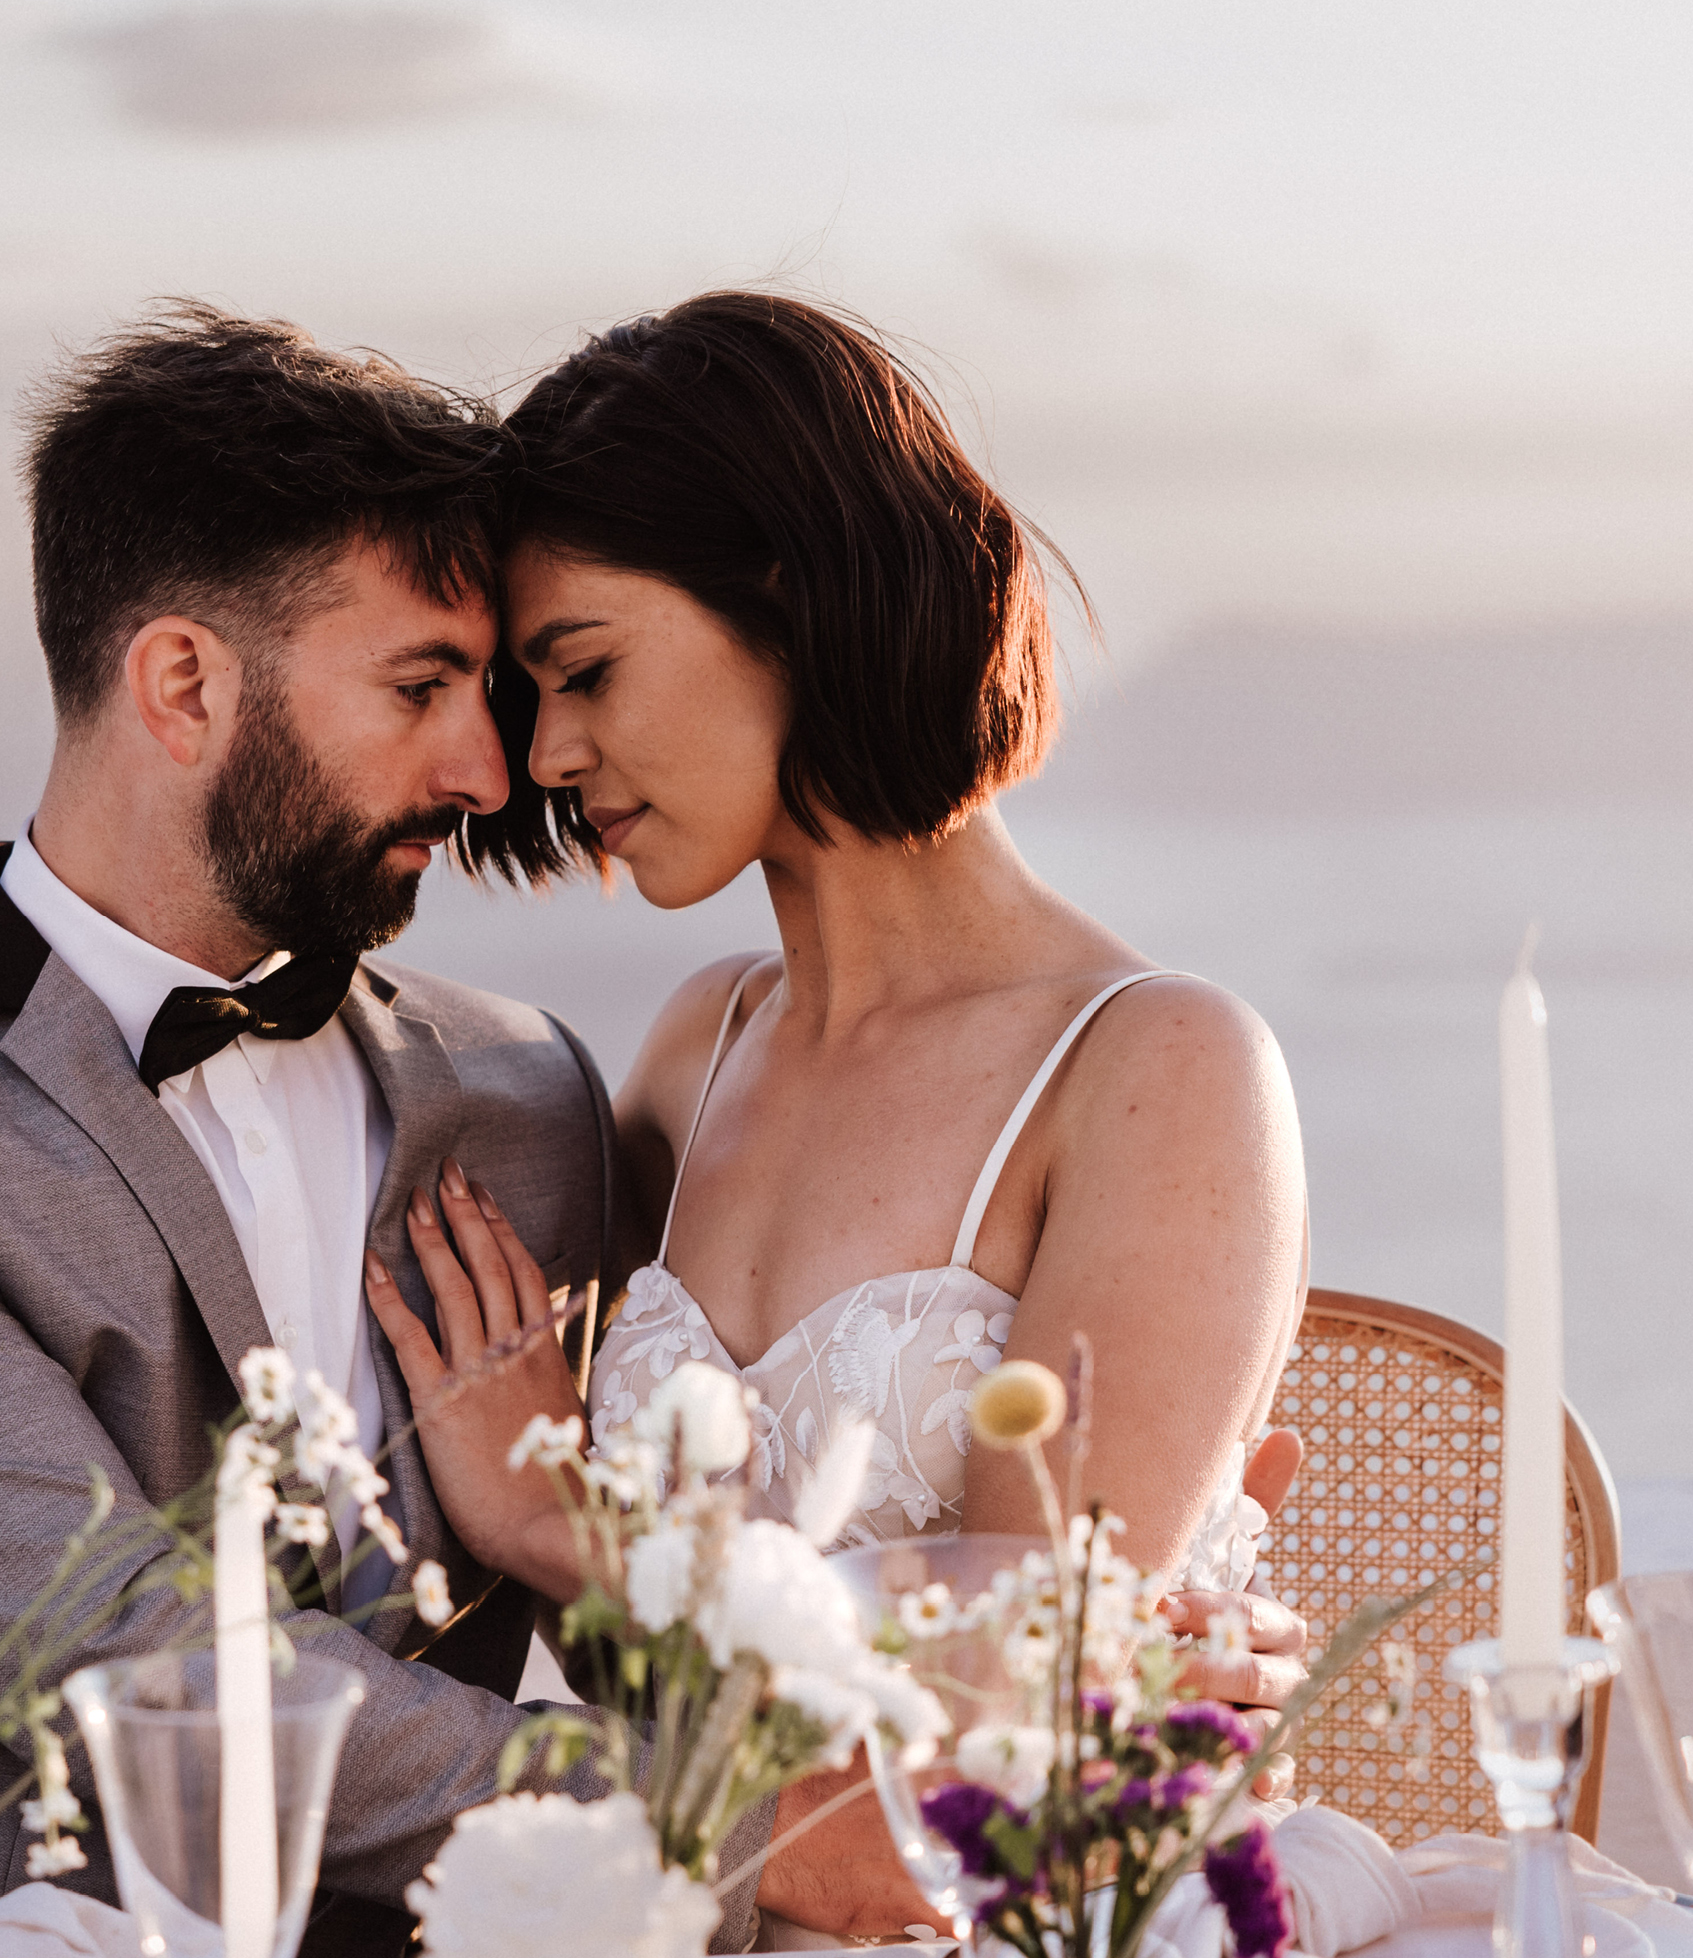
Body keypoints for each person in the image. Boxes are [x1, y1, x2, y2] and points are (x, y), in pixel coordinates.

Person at [0, 301, 1302, 1958]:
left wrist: (1128, 1670)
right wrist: (744, 1828)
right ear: (183, 683)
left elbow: (1000, 1639)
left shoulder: (525, 1095)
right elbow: (133, 1655)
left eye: (552, 678)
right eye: (444, 683)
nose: (513, 769)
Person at [363, 293, 1313, 1944]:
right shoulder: (691, 1050)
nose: (555, 753)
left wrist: (550, 1523)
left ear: (785, 593)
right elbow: (644, 1679)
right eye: (534, 701)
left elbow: (1040, 1656)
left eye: (583, 671)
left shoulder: (1161, 1066)